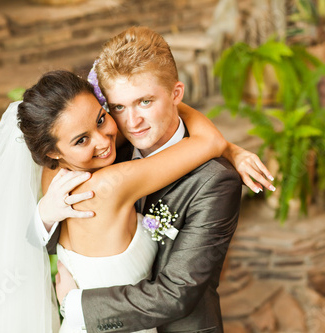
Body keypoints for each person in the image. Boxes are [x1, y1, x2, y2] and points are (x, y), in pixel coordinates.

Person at [0, 67, 227, 333]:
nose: (103, 140)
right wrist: (172, 101)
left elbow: (37, 237)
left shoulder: (53, 177)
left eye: (101, 119)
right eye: (81, 140)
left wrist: (43, 218)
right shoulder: (110, 184)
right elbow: (210, 143)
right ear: (53, 151)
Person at [43, 27, 274, 332]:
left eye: (145, 102)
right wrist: (45, 216)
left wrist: (75, 305)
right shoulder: (108, 150)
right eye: (118, 107)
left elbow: (177, 293)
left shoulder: (215, 180)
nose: (132, 122)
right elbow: (69, 235)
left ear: (176, 94)